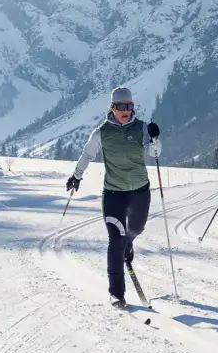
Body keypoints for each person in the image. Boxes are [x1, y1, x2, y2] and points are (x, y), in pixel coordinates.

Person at [66, 86, 161, 308]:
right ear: (113, 107)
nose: (125, 110)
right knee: (115, 240)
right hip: (113, 193)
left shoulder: (142, 128)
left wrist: (155, 138)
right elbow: (88, 153)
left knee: (136, 229)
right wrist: (76, 176)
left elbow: (154, 154)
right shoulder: (102, 132)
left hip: (139, 190)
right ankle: (116, 293)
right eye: (121, 106)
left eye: (129, 106)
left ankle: (130, 242)